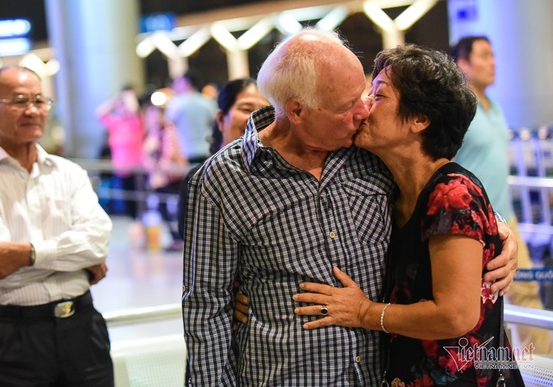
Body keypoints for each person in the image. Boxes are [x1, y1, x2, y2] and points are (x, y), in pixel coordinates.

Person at [182, 28, 517, 386]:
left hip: (384, 375)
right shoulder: (223, 180)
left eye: (367, 94)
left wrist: (496, 232)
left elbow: (440, 187)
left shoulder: (369, 154)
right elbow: (206, 305)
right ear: (297, 110)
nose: (363, 111)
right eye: (346, 106)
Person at [292, 45, 524, 385]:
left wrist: (363, 312)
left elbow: (456, 315)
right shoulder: (389, 183)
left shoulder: (452, 194)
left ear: (420, 119)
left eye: (378, 96)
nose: (364, 107)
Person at [0, 65, 114, 386]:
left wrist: (26, 254)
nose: (32, 110)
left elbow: (97, 243)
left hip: (83, 330)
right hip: (13, 338)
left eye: (39, 100)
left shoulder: (69, 173)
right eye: (19, 101)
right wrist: (77, 261)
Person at [452, 35, 552, 355]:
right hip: (474, 224)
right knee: (487, 304)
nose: (493, 62)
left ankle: (542, 365)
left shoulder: (493, 106)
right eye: (484, 55)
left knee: (526, 290)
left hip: (506, 218)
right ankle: (500, 368)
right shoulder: (458, 109)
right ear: (463, 64)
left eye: (493, 55)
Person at [177, 77, 270, 239]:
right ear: (221, 118)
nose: (256, 119)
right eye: (246, 109)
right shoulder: (200, 180)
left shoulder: (273, 175)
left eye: (264, 112)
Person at [94, 85, 145, 217]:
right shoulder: (116, 123)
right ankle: (135, 224)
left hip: (136, 170)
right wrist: (117, 98)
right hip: (120, 170)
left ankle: (140, 224)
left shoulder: (135, 122)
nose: (123, 107)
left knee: (139, 204)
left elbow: (133, 110)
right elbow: (99, 113)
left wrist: (127, 95)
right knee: (127, 204)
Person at [165, 71, 218, 164]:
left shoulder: (176, 103)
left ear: (187, 83)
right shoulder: (208, 102)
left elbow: (169, 127)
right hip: (207, 150)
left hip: (184, 153)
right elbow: (216, 124)